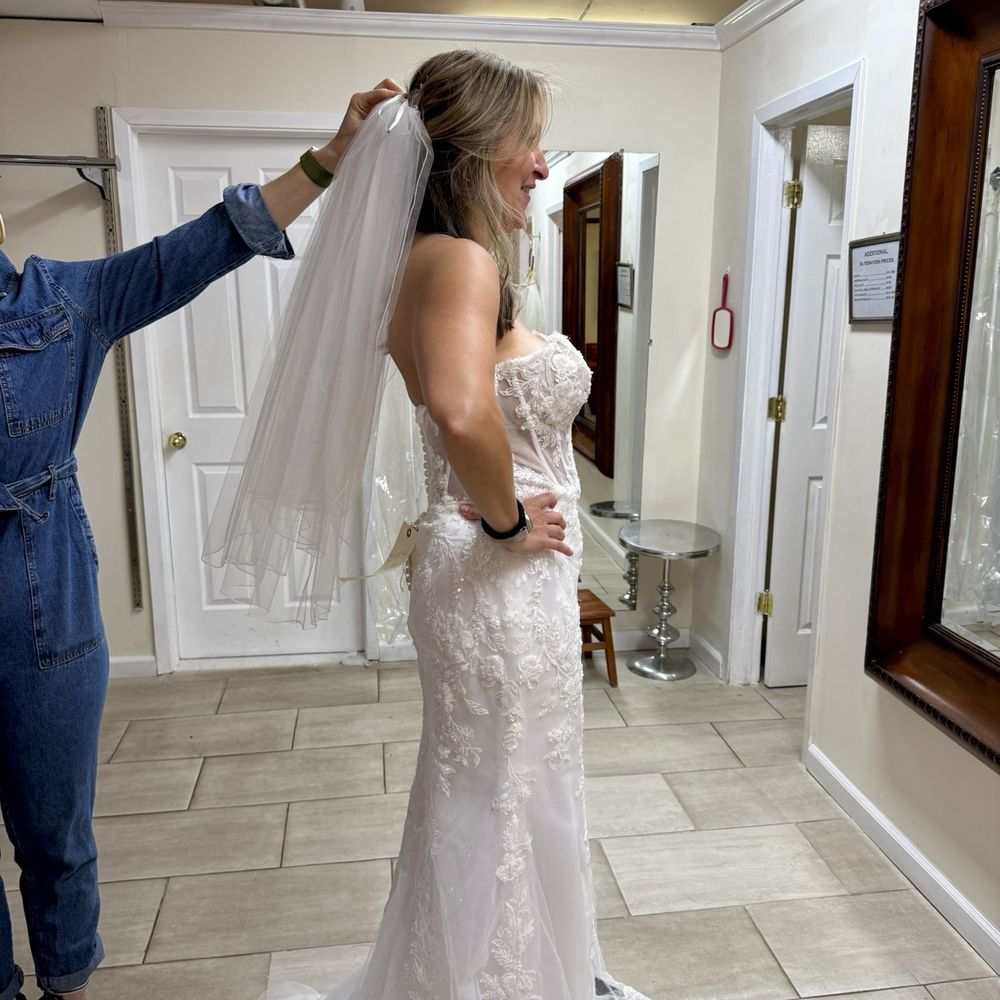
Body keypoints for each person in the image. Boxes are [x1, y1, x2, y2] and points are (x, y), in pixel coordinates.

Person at [234, 50, 654, 1000]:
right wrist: (508, 525)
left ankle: (493, 969)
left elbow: (450, 405)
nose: (544, 165)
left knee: (481, 790)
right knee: (503, 790)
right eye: (532, 142)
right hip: (497, 575)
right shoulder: (461, 261)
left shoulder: (411, 262)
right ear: (478, 149)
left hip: (467, 572)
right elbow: (463, 414)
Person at [0, 79, 402, 1000]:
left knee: (55, 833)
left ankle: (67, 984)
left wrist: (331, 161)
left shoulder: (61, 301)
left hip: (41, 612)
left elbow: (204, 246)